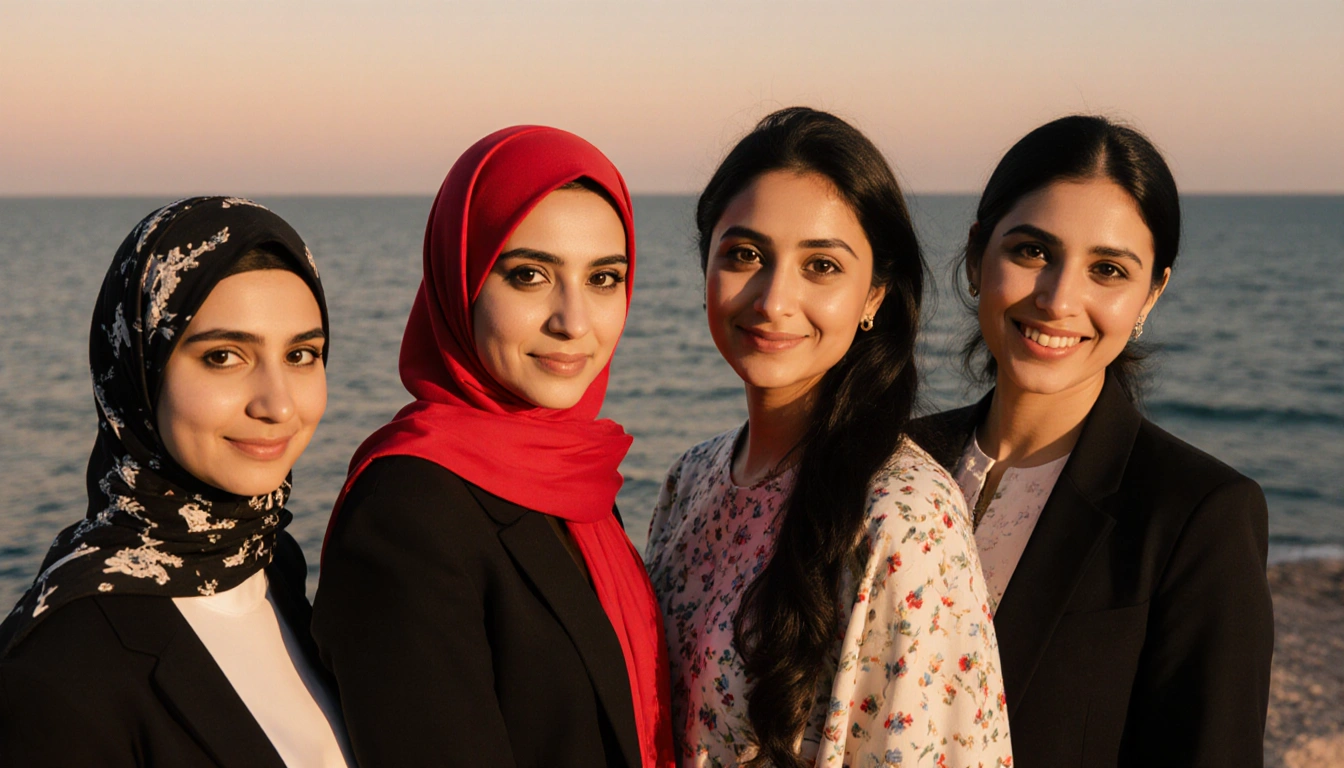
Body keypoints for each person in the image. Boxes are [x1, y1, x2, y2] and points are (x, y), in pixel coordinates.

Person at [644, 107, 1013, 768]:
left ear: (874, 295)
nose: (773, 298)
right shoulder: (690, 479)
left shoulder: (903, 518)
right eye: (745, 255)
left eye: (820, 266)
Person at [907, 115, 1274, 767]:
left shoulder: (1197, 516)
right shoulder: (892, 463)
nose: (1058, 298)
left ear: (1150, 294)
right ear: (975, 256)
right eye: (1032, 251)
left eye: (1107, 270)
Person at [311, 126, 673, 768]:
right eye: (529, 275)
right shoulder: (407, 514)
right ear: (461, 280)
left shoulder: (573, 474)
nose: (574, 322)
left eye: (604, 278)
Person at [0, 197, 352, 767]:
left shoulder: (268, 560)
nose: (279, 404)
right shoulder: (59, 668)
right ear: (140, 369)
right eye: (223, 357)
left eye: (302, 354)